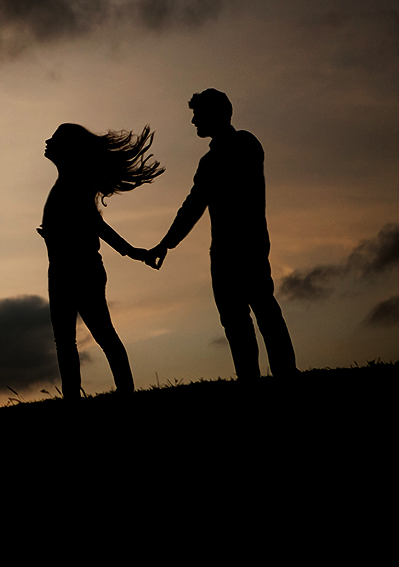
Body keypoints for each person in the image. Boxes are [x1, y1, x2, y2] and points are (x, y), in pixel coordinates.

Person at [145, 89, 297, 380]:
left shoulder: (241, 145)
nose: (193, 121)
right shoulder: (215, 159)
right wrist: (167, 244)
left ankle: (284, 373)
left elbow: (195, 204)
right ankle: (254, 377)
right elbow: (193, 205)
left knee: (261, 309)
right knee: (237, 318)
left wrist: (166, 244)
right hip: (227, 247)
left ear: (215, 114)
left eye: (197, 114)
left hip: (246, 243)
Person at [38, 123, 163, 399]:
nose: (48, 142)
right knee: (66, 340)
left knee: (100, 335)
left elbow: (95, 225)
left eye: (55, 139)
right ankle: (74, 396)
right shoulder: (66, 183)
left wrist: (130, 251)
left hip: (80, 269)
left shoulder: (73, 184)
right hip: (60, 270)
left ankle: (125, 391)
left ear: (68, 150)